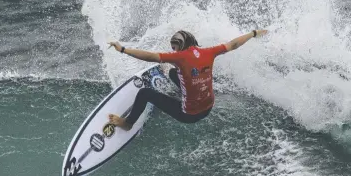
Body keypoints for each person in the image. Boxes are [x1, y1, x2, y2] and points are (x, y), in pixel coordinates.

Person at [107, 29, 267, 130]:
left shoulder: (180, 57)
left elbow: (150, 56)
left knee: (144, 93)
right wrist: (253, 33)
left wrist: (122, 49)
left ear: (181, 46)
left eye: (174, 48)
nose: (173, 51)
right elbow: (233, 44)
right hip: (208, 107)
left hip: (189, 115)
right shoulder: (210, 52)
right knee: (172, 74)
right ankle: (181, 91)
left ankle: (128, 123)